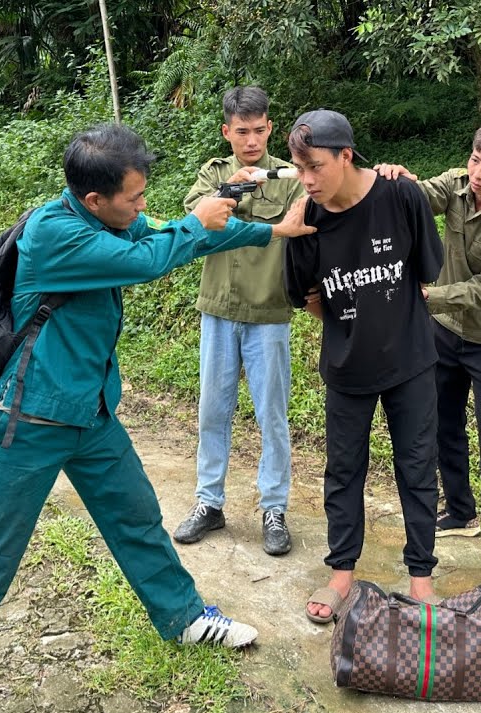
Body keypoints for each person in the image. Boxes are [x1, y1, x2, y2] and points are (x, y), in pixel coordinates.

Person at [0, 123, 316, 713]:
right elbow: (152, 257)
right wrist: (198, 222)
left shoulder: (108, 220)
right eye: (132, 197)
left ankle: (184, 619)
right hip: (32, 418)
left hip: (92, 413)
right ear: (94, 199)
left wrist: (265, 228)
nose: (141, 206)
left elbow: (164, 232)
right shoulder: (55, 235)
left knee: (137, 518)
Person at [281, 109, 445, 623]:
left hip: (411, 360)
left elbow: (426, 272)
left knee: (417, 468)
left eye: (316, 167)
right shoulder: (306, 217)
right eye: (299, 168)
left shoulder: (401, 195)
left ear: (346, 155)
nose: (307, 180)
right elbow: (304, 295)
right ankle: (341, 574)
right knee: (344, 469)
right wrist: (350, 323)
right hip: (347, 367)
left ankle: (421, 580)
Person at [375, 120, 481, 601]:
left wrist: (426, 296)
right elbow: (417, 197)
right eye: (475, 159)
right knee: (442, 422)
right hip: (444, 331)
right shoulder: (457, 183)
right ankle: (460, 509)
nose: (479, 172)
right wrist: (394, 176)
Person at [173, 86, 305, 556]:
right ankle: (209, 503)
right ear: (227, 132)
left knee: (272, 414)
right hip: (218, 310)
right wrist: (236, 187)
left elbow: (309, 222)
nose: (251, 140)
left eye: (259, 130)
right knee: (212, 411)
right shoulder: (213, 175)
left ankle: (274, 508)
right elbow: (197, 217)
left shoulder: (290, 178)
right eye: (241, 131)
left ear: (270, 128)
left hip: (269, 311)